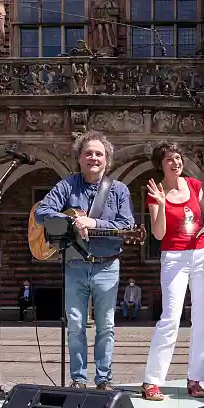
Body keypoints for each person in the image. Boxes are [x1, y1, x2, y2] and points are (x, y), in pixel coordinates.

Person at [34, 130, 135, 390]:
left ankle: (103, 379)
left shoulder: (119, 190)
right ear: (79, 158)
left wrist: (94, 223)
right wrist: (73, 220)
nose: (93, 158)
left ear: (107, 160)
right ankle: (78, 379)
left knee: (106, 326)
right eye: (88, 153)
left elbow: (127, 225)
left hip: (107, 265)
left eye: (99, 154)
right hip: (75, 264)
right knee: (75, 325)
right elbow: (41, 212)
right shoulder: (67, 186)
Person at [140, 141, 204, 401]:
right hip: (174, 256)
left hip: (202, 253)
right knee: (170, 317)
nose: (176, 162)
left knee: (202, 318)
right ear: (160, 164)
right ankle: (152, 380)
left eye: (178, 157)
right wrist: (161, 205)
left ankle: (195, 378)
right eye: (169, 159)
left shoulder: (194, 185)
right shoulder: (155, 192)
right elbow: (158, 233)